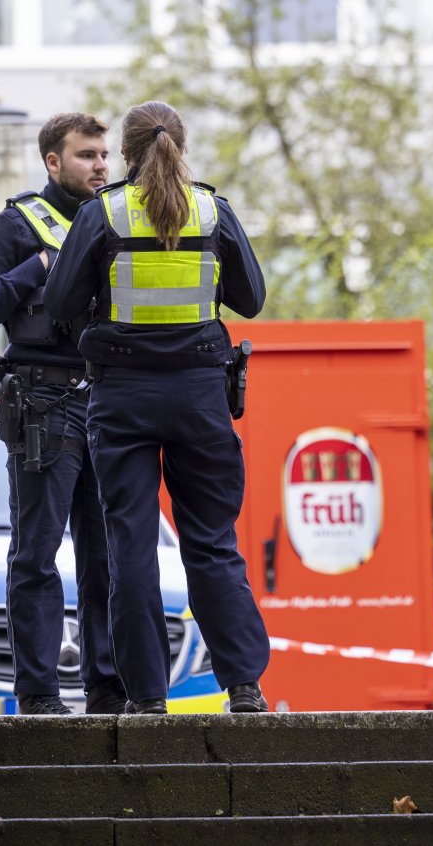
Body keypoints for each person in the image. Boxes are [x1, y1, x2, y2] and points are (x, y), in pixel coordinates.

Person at [43, 101, 271, 715]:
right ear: (182, 145)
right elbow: (251, 299)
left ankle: (146, 698)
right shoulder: (211, 210)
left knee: (132, 548)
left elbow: (61, 303)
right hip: (200, 396)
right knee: (211, 542)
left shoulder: (103, 213)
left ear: (124, 153)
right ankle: (244, 686)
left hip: (122, 398)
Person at [0, 112, 126, 716]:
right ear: (53, 162)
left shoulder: (120, 219)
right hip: (45, 406)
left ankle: (110, 690)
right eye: (87, 155)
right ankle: (39, 695)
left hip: (108, 405)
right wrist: (37, 268)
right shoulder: (20, 223)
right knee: (37, 553)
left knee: (108, 554)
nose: (101, 166)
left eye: (105, 155)